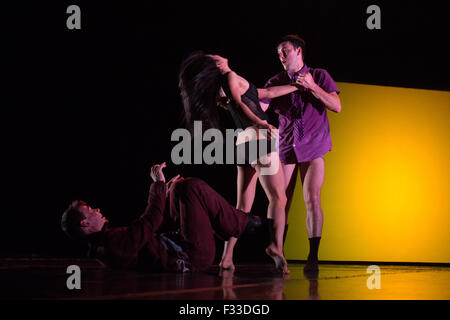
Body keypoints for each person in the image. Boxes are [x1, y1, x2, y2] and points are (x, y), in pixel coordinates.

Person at [179, 52, 300, 273]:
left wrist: (298, 86)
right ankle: (275, 246)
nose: (218, 53)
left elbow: (267, 93)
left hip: (243, 142)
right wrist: (261, 123)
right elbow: (237, 103)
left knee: (242, 206)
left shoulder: (225, 84)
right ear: (216, 63)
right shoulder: (230, 76)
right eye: (213, 55)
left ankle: (226, 258)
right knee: (278, 198)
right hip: (258, 137)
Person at [60, 163, 261, 272]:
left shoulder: (107, 242)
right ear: (84, 223)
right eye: (90, 210)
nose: (97, 210)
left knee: (180, 188)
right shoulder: (111, 246)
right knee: (191, 187)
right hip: (192, 256)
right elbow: (149, 222)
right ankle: (248, 225)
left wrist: (166, 191)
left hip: (181, 245)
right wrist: (158, 186)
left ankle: (240, 224)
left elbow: (149, 230)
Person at [260, 35, 342, 272]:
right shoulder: (276, 81)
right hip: (286, 147)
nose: (281, 56)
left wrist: (312, 87)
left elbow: (336, 106)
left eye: (285, 51)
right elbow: (261, 105)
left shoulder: (319, 75)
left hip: (313, 146)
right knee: (279, 200)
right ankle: (278, 253)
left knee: (312, 198)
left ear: (298, 51)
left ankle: (313, 257)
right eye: (278, 53)